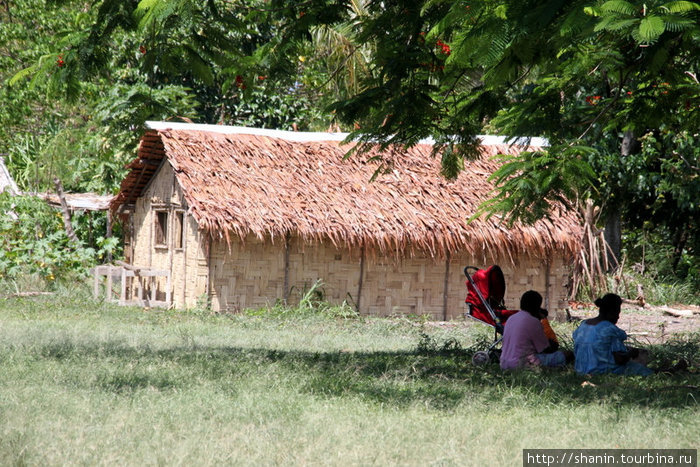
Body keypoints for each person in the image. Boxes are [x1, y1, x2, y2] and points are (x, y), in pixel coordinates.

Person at [572, 293, 653, 376]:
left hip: (580, 370)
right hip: (601, 371)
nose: (618, 317)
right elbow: (619, 359)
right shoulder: (609, 329)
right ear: (612, 312)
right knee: (642, 370)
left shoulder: (584, 324)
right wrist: (631, 354)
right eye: (617, 313)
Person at [500, 290, 568, 370]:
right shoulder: (533, 321)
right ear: (537, 307)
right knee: (567, 355)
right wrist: (553, 344)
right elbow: (545, 349)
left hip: (504, 364)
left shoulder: (511, 318)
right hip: (521, 364)